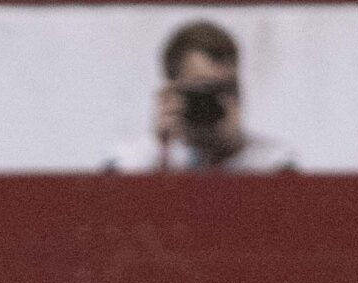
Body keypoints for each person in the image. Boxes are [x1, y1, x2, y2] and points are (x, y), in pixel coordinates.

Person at [103, 20, 295, 174]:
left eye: (228, 89)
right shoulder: (130, 162)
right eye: (204, 89)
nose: (216, 100)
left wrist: (234, 152)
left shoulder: (273, 164)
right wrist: (159, 150)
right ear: (171, 92)